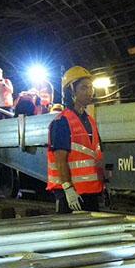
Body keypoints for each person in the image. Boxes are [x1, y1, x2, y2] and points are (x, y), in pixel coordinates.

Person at [46, 66, 105, 213]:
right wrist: (68, 189)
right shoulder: (62, 122)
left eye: (91, 87)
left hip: (91, 192)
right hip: (71, 194)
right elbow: (60, 159)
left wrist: (103, 184)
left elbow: (94, 155)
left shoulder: (90, 121)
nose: (90, 92)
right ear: (71, 91)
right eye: (84, 88)